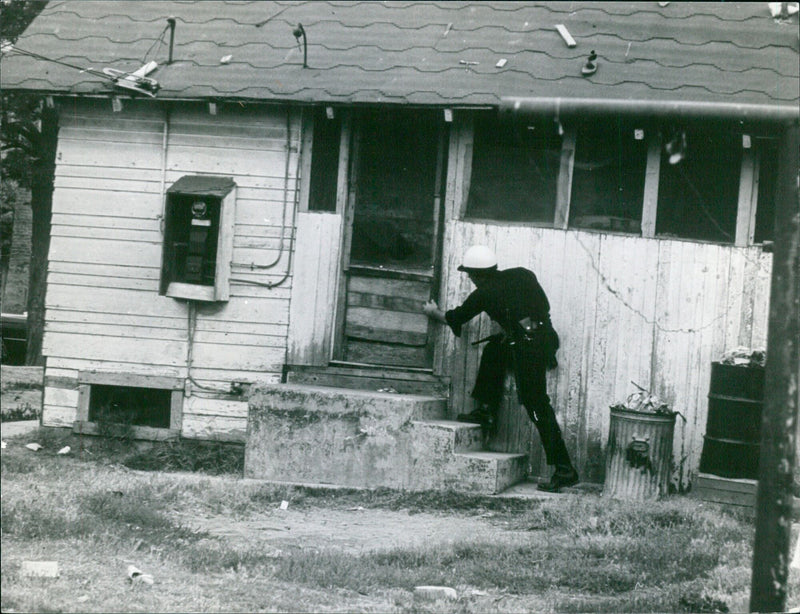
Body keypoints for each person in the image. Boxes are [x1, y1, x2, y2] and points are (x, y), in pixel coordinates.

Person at [423, 245, 579, 492]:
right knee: (495, 348)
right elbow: (537, 308)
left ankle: (564, 469)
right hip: (545, 338)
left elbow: (457, 317)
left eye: (471, 276)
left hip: (528, 348)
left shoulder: (484, 293)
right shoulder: (522, 274)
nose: (471, 280)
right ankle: (486, 410)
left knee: (536, 405)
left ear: (476, 274)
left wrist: (434, 313)